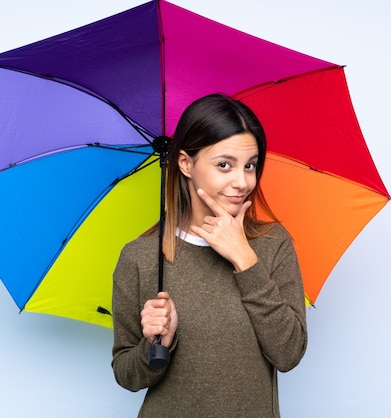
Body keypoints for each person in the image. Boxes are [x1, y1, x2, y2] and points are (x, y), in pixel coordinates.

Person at [111, 93, 307, 417]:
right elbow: (126, 374)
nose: (242, 181)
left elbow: (288, 354)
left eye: (251, 165)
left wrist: (246, 261)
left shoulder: (272, 244)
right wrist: (158, 343)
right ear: (186, 163)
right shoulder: (141, 258)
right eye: (224, 165)